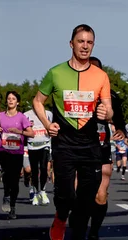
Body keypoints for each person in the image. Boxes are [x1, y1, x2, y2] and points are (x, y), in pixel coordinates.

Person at [32, 24, 113, 240]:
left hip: (90, 146)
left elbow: (109, 109)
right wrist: (47, 124)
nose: (85, 46)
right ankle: (60, 216)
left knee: (86, 200)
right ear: (71, 44)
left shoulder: (101, 76)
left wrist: (107, 113)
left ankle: (77, 234)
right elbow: (38, 101)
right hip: (64, 144)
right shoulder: (56, 72)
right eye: (80, 41)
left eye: (89, 42)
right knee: (66, 196)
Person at [87, 56, 126, 240]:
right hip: (77, 149)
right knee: (78, 196)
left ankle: (94, 232)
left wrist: (120, 130)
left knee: (100, 195)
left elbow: (120, 123)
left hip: (102, 149)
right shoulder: (71, 93)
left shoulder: (111, 97)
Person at [0, 91, 33, 219]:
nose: (11, 100)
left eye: (13, 99)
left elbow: (31, 133)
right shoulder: (0, 116)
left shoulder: (22, 117)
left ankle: (12, 207)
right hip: (3, 149)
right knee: (7, 174)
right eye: (9, 98)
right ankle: (6, 194)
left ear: (18, 102)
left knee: (15, 180)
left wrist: (19, 131)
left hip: (17, 151)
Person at [24, 105, 53, 206]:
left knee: (44, 168)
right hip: (32, 146)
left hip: (45, 144)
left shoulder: (49, 114)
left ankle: (43, 192)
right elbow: (23, 131)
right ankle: (35, 193)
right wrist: (28, 127)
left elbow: (53, 128)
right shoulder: (26, 115)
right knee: (34, 170)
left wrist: (50, 130)